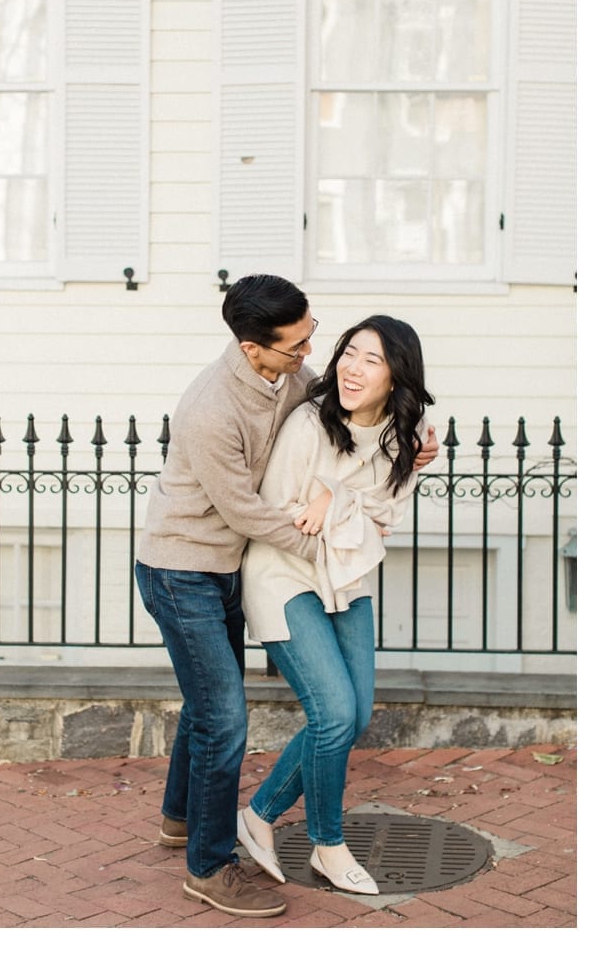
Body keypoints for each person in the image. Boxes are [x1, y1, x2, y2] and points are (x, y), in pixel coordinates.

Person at [133, 275, 437, 919]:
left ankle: (178, 820)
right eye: (297, 346)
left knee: (205, 704)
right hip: (183, 564)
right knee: (223, 716)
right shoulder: (210, 410)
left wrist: (412, 446)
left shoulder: (296, 380)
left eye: (313, 338)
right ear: (253, 350)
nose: (314, 357)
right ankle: (210, 867)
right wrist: (331, 535)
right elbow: (251, 513)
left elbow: (361, 441)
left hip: (238, 565)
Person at [235, 316, 433, 896]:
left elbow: (386, 518)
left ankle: (258, 814)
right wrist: (339, 507)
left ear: (397, 374)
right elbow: (276, 516)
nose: (351, 367)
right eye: (348, 353)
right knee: (335, 714)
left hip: (347, 579)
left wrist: (334, 494)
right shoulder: (307, 424)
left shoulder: (406, 435)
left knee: (357, 712)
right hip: (285, 575)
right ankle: (327, 843)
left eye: (371, 359)